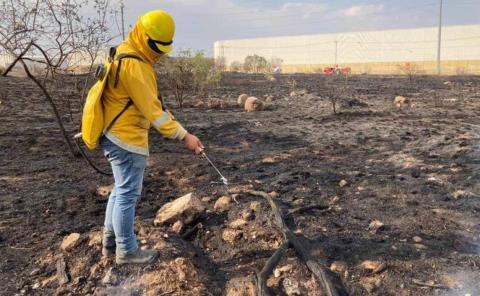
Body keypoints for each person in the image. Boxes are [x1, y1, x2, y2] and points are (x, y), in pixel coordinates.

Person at [100, 10, 204, 265]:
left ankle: (110, 242)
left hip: (114, 134)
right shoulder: (136, 65)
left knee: (119, 190)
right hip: (125, 139)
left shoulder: (125, 52)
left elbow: (150, 103)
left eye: (162, 49)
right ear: (142, 35)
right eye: (155, 47)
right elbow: (154, 113)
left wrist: (179, 126)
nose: (158, 54)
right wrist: (184, 137)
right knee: (127, 194)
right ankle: (126, 251)